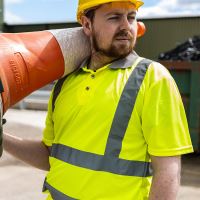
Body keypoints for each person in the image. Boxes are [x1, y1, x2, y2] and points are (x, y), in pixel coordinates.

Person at [3, 0, 193, 199]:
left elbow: (168, 171)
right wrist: (3, 138)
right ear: (86, 25)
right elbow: (50, 155)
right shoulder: (65, 83)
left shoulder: (152, 78)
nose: (126, 26)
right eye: (114, 17)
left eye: (131, 17)